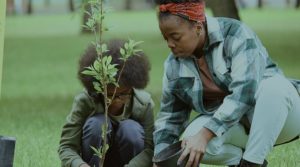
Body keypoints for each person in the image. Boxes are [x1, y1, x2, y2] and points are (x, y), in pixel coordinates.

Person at [152, 0, 300, 167]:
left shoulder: (235, 34)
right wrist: (160, 159)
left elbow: (245, 91)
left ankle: (252, 162)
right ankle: (243, 161)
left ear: (198, 28)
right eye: (166, 38)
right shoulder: (174, 66)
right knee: (190, 141)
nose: (170, 44)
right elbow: (170, 120)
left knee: (274, 88)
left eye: (175, 37)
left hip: (282, 117)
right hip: (237, 126)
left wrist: (206, 133)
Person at [58, 39, 155, 167]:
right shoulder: (86, 100)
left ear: (133, 86)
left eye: (123, 93)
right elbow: (66, 147)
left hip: (129, 162)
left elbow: (150, 149)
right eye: (110, 94)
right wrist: (80, 165)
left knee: (131, 129)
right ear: (98, 88)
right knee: (97, 124)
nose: (116, 99)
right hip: (92, 162)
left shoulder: (143, 104)